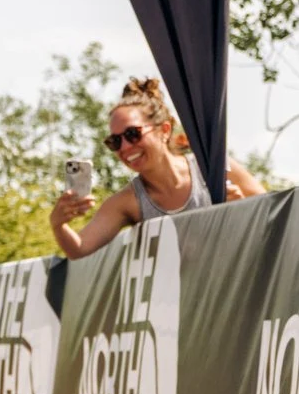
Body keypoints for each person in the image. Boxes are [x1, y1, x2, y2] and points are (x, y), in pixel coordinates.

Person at [51, 76, 264, 259]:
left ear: (164, 130)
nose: (125, 147)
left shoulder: (213, 167)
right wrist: (58, 225)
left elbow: (273, 214)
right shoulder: (127, 202)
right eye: (114, 142)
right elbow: (79, 248)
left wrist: (244, 207)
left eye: (132, 134)